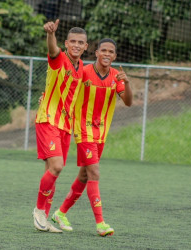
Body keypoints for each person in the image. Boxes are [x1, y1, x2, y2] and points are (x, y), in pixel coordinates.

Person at [51, 38, 133, 236]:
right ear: (96, 53)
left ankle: (60, 213)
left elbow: (128, 102)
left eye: (110, 51)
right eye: (103, 50)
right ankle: (101, 223)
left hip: (101, 133)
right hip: (83, 131)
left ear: (114, 56)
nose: (106, 54)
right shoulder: (84, 71)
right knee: (95, 173)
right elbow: (67, 88)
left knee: (85, 175)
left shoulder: (116, 76)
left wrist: (127, 83)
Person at [32, 19, 88, 233]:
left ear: (86, 46)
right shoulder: (60, 59)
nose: (75, 45)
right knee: (57, 166)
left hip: (65, 125)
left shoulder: (82, 67)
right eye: (72, 41)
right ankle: (38, 210)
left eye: (80, 42)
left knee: (52, 171)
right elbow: (52, 51)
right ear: (66, 43)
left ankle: (44, 218)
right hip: (48, 120)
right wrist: (50, 34)